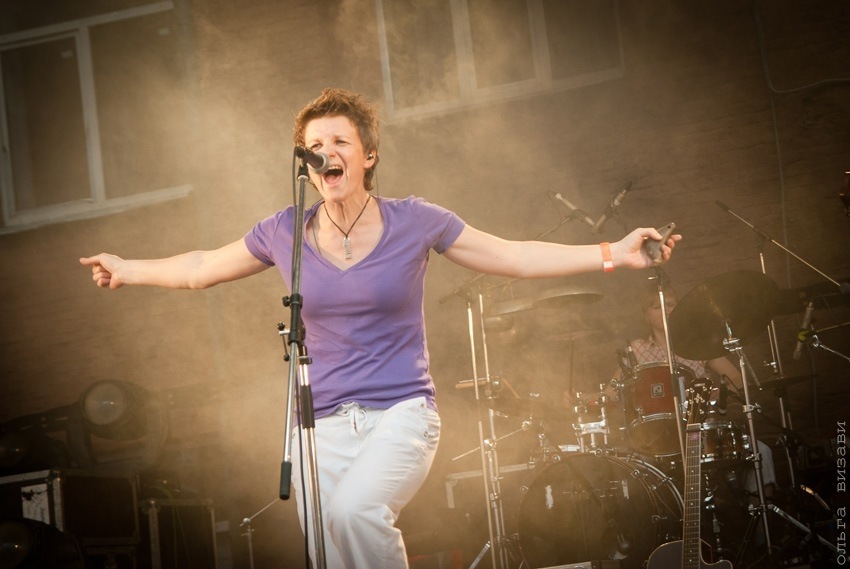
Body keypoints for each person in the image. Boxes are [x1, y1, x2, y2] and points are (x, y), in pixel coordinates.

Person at [80, 88, 680, 569]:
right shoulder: (284, 230)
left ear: (367, 155)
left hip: (401, 413)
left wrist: (613, 253)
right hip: (318, 424)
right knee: (329, 551)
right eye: (314, 145)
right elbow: (201, 268)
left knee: (355, 513)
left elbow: (514, 256)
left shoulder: (415, 220)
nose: (326, 152)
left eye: (339, 140)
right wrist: (127, 268)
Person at [612, 275, 776, 498]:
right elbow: (612, 391)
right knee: (631, 472)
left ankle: (759, 518)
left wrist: (717, 395)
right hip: (657, 439)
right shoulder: (636, 350)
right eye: (657, 306)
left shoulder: (697, 344)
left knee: (761, 452)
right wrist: (581, 399)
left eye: (670, 304)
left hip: (702, 433)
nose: (665, 310)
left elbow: (737, 379)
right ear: (645, 314)